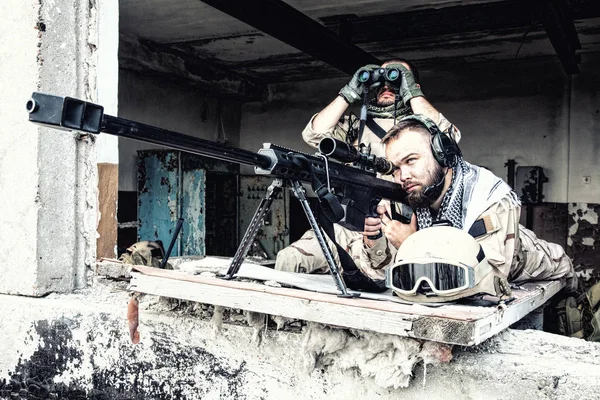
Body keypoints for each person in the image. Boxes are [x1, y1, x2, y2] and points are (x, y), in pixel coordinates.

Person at [275, 60, 459, 279]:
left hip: (392, 229)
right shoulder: (356, 126)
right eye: (382, 80)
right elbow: (313, 134)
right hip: (347, 226)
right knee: (289, 259)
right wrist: (349, 92)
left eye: (396, 79)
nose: (387, 85)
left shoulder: (419, 129)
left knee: (382, 282)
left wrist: (410, 89)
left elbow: (450, 138)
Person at [364, 114, 576, 301]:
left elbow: (486, 282)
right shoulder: (411, 197)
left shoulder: (488, 197)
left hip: (543, 266)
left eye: (411, 161)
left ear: (443, 156)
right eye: (395, 168)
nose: (403, 176)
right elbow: (383, 273)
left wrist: (412, 246)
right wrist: (373, 239)